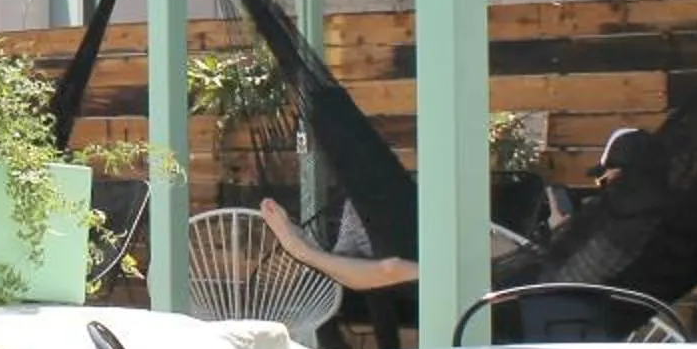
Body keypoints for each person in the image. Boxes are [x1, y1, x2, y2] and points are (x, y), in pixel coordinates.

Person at [257, 125, 667, 292]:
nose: (601, 183)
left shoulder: (621, 214)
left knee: (394, 268)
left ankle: (304, 253)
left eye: (606, 175)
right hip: (549, 272)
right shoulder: (643, 217)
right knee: (452, 245)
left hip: (542, 290)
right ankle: (318, 253)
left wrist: (565, 231)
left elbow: (590, 271)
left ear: (624, 174)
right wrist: (565, 227)